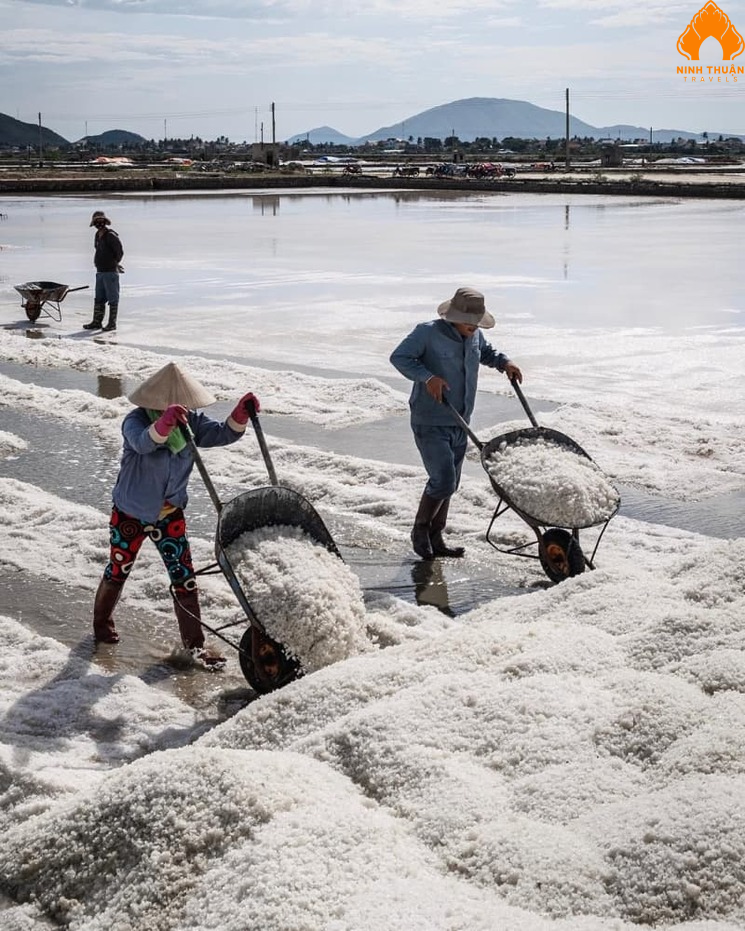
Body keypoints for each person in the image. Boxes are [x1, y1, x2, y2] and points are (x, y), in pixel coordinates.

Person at [91, 361, 261, 668]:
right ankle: (102, 625)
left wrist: (239, 415)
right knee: (119, 569)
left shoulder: (191, 422)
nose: (181, 407)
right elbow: (143, 443)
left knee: (184, 578)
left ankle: (195, 647)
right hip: (131, 513)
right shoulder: (135, 420)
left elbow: (223, 434)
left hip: (170, 515)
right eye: (172, 405)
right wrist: (165, 424)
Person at [390, 286, 523, 561]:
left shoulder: (475, 335)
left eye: (476, 323)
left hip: (461, 420)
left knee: (452, 482)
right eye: (467, 322)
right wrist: (428, 378)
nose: (472, 327)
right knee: (443, 480)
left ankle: (437, 537)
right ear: (452, 317)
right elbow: (400, 357)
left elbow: (486, 352)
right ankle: (420, 531)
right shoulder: (427, 333)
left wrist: (504, 362)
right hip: (431, 419)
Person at [83, 210, 124, 332]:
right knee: (99, 298)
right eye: (97, 222)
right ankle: (97, 322)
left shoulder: (111, 235)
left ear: (105, 222)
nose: (99, 223)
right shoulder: (97, 235)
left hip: (110, 272)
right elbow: (97, 249)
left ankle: (112, 324)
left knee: (112, 298)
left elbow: (119, 252)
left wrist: (114, 264)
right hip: (100, 271)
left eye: (101, 221)